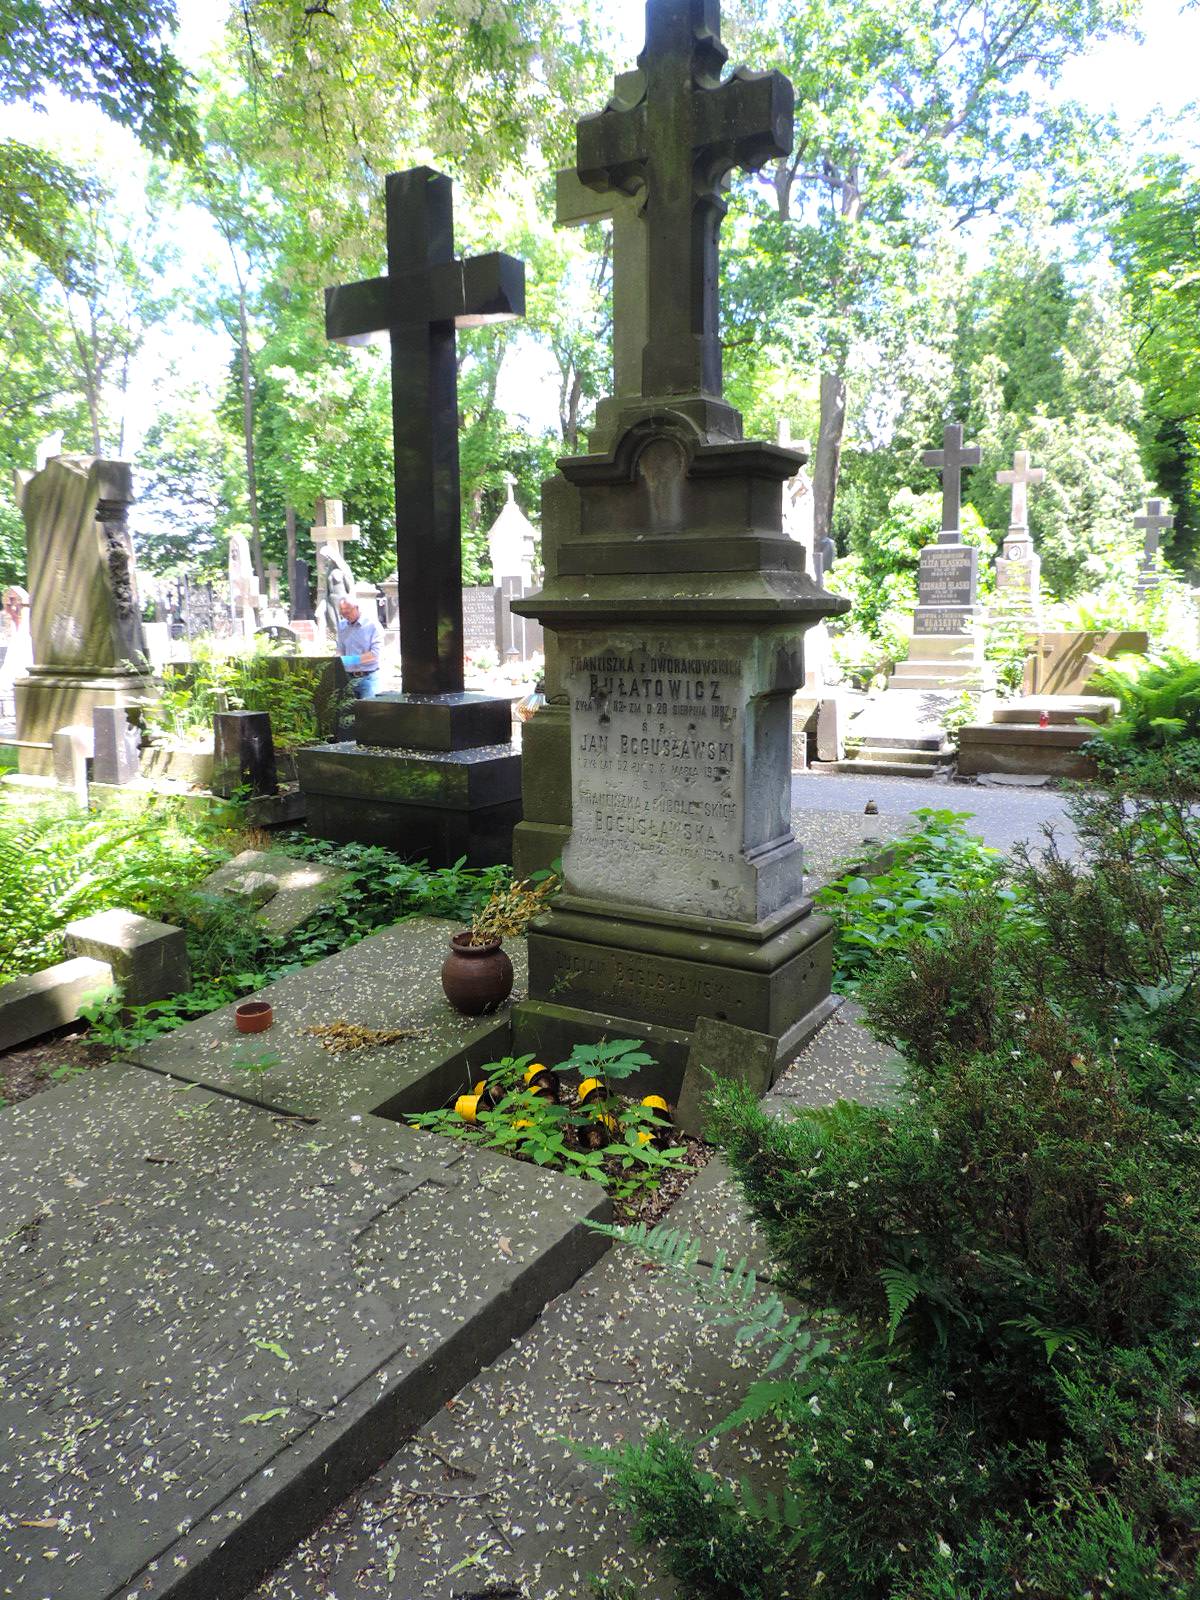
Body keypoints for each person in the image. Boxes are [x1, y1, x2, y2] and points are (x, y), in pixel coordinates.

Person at [336, 595, 381, 700]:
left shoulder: (372, 625)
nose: (345, 615)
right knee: (348, 714)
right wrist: (337, 659)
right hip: (348, 678)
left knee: (369, 713)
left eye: (347, 612)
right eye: (342, 613)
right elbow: (340, 649)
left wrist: (349, 660)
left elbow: (375, 655)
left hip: (368, 678)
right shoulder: (342, 625)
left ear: (356, 608)